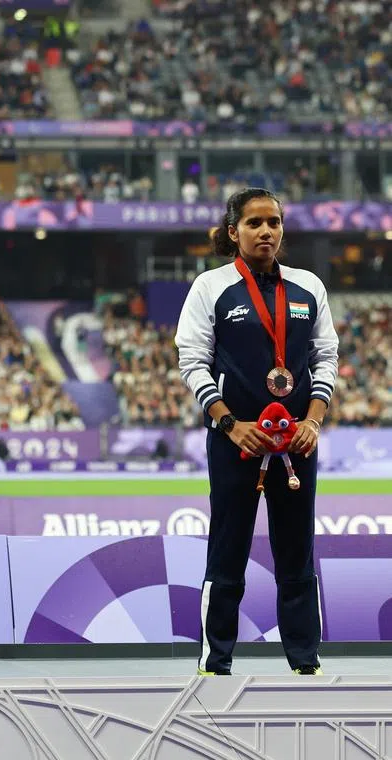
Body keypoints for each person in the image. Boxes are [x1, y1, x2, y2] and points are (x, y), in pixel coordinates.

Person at [174, 188, 338, 677]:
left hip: (297, 442)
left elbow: (325, 358)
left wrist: (312, 420)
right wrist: (229, 423)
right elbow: (191, 361)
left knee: (297, 552)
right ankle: (214, 661)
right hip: (235, 443)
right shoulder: (211, 286)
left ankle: (306, 663)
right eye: (254, 223)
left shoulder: (309, 287)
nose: (266, 231)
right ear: (234, 232)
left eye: (274, 222)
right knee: (228, 550)